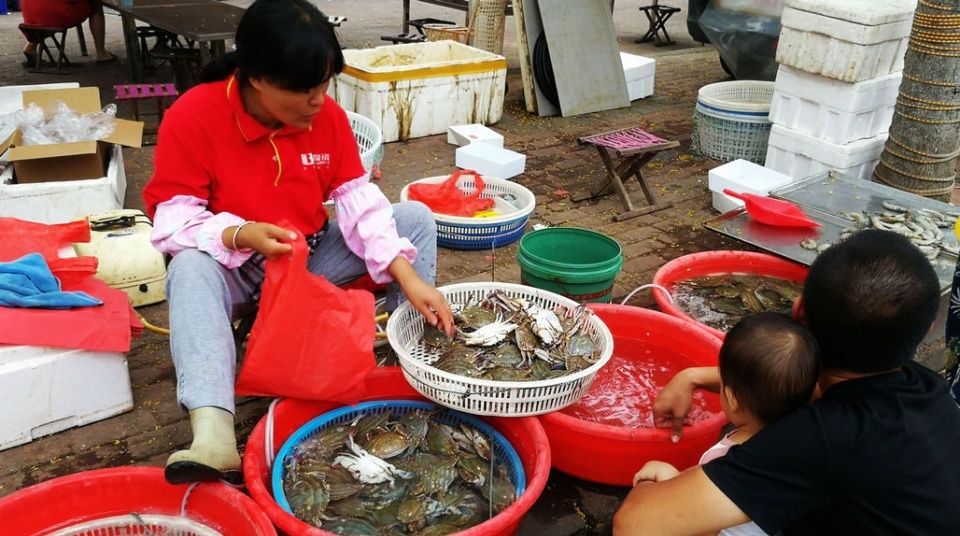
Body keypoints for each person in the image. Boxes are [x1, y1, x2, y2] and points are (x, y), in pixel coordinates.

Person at [142, 0, 454, 484]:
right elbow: (172, 218)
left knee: (412, 216)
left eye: (325, 84)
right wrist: (238, 232)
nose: (318, 100)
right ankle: (214, 432)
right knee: (186, 267)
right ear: (256, 78)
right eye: (304, 88)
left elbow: (358, 200)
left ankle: (405, 366)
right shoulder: (194, 116)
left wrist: (407, 275)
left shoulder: (326, 117)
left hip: (306, 257)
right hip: (240, 267)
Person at [613, 229, 960, 535]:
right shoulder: (927, 390)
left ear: (798, 312)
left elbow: (637, 525)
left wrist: (661, 480)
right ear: (925, 330)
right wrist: (692, 377)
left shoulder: (822, 438)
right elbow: (790, 384)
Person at [632, 312, 819, 536]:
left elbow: (701, 525)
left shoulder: (728, 459)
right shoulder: (805, 436)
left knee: (645, 493)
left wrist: (668, 476)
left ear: (732, 398)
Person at [20, 0, 116, 66]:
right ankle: (101, 53)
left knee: (44, 12)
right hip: (55, 14)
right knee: (95, 6)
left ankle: (31, 47)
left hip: (29, 16)